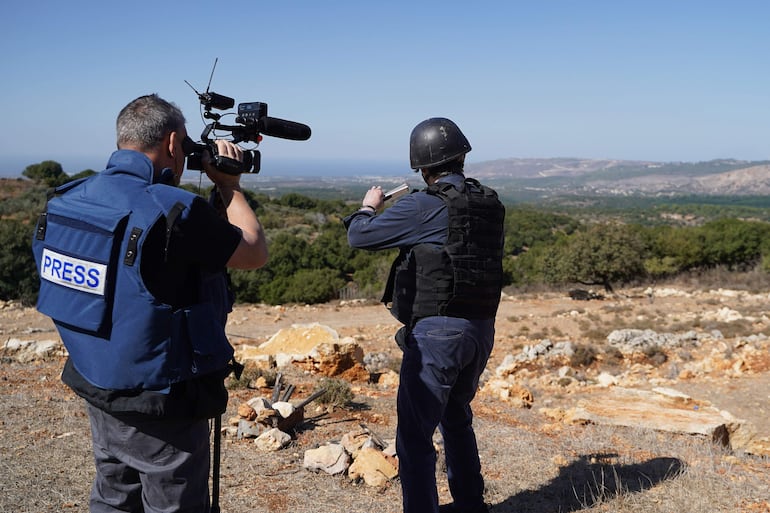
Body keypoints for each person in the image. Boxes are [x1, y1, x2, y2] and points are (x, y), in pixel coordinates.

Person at [32, 94, 268, 512]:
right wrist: (229, 188)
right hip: (161, 397)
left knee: (113, 495)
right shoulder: (173, 209)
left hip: (96, 379)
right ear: (174, 144)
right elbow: (252, 252)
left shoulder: (70, 198)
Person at [343, 117, 505, 513]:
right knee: (456, 418)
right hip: (481, 327)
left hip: (438, 332)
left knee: (414, 437)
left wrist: (369, 207)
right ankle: (470, 504)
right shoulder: (489, 203)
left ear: (422, 166)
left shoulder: (424, 205)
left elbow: (359, 236)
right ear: (462, 156)